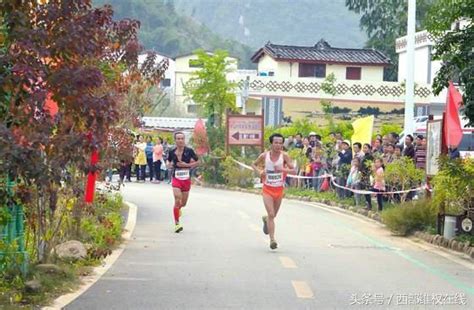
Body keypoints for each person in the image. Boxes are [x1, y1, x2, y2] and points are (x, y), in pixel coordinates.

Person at [252, 133, 295, 250]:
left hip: (279, 190)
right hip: (267, 189)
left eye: (280, 143)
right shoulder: (264, 156)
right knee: (271, 214)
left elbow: (294, 171)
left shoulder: (284, 156)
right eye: (276, 143)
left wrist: (282, 169)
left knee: (273, 215)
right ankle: (272, 240)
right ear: (271, 143)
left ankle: (266, 220)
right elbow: (254, 164)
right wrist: (260, 172)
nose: (278, 145)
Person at [167, 132, 199, 233]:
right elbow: (168, 161)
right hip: (176, 178)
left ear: (184, 140)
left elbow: (198, 162)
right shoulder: (172, 151)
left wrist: (187, 165)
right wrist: (169, 165)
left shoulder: (189, 151)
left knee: (183, 203)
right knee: (177, 200)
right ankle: (177, 224)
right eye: (178, 139)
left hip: (186, 179)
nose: (180, 140)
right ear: (175, 140)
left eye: (182, 138)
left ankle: (178, 209)